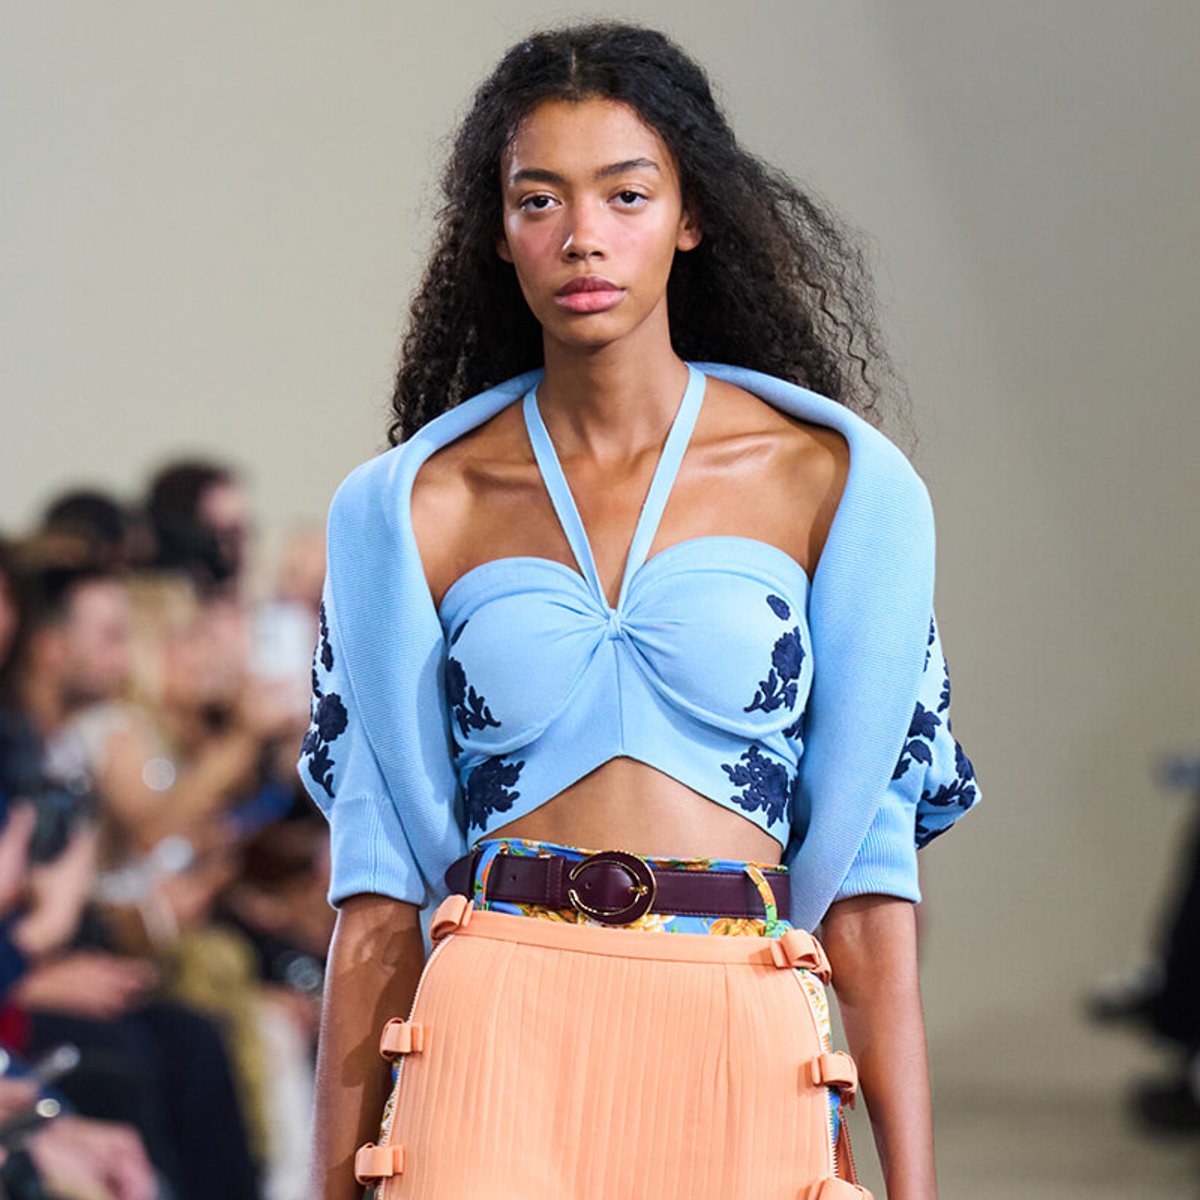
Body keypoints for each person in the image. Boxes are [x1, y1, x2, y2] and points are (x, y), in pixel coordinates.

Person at [300, 22, 981, 1200]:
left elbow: (874, 898)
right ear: (497, 234)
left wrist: (916, 1191)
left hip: (741, 1024)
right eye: (538, 200)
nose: (582, 237)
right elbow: (372, 905)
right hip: (489, 1027)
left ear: (691, 213)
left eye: (625, 194)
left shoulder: (837, 488)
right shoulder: (412, 508)